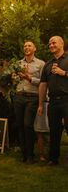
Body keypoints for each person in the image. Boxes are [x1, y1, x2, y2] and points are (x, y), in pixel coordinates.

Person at [38, 36, 68, 166]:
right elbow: (43, 85)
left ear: (61, 44)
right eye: (49, 43)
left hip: (67, 99)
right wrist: (40, 104)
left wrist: (64, 73)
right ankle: (53, 158)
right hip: (53, 101)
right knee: (54, 130)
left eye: (54, 42)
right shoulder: (48, 64)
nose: (51, 45)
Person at [13, 41, 45, 164]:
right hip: (19, 96)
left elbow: (43, 82)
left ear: (34, 48)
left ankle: (31, 154)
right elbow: (13, 80)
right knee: (20, 125)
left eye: (29, 46)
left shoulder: (40, 63)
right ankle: (24, 154)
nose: (26, 47)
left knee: (28, 125)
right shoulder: (18, 64)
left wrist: (29, 77)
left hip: (32, 98)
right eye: (25, 46)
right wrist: (15, 77)